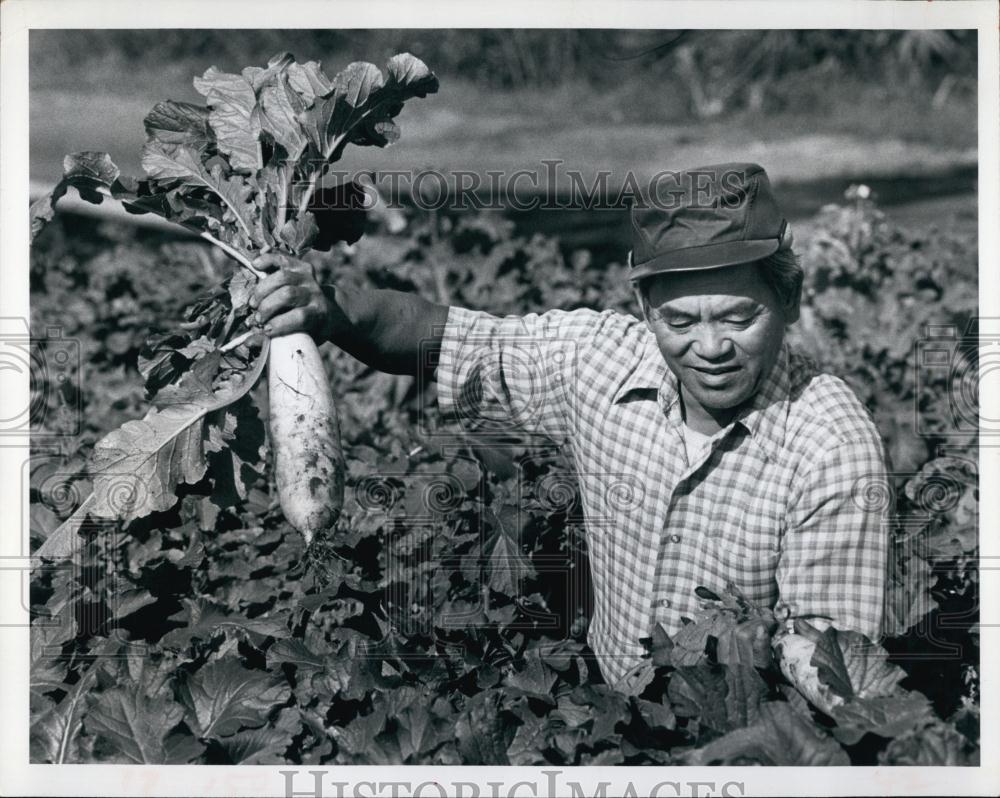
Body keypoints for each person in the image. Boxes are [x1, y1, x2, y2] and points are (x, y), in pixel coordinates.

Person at [249, 162, 889, 699]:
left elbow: (834, 662)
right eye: (681, 321)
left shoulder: (831, 445)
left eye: (739, 317)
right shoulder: (599, 361)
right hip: (610, 719)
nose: (711, 346)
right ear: (645, 310)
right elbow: (447, 341)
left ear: (791, 299)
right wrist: (326, 309)